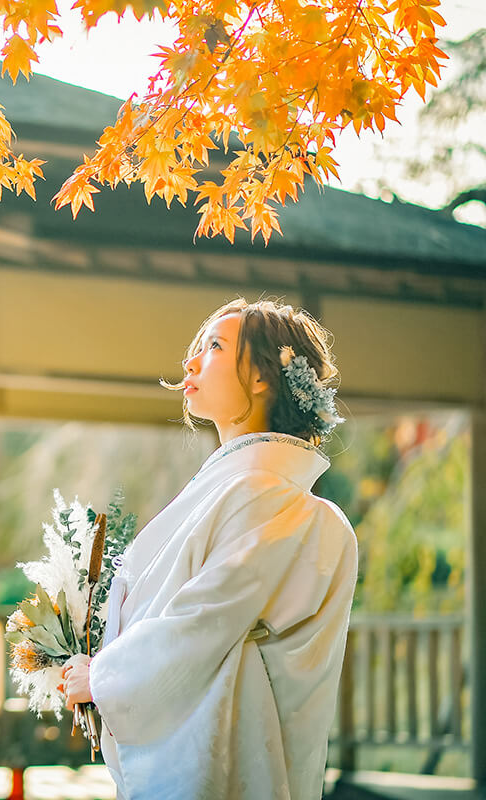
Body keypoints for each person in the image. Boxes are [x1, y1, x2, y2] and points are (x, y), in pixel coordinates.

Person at [59, 297, 358, 799]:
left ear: (262, 376)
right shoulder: (244, 489)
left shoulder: (266, 494)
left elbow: (204, 620)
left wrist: (104, 676)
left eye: (214, 347)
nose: (190, 363)